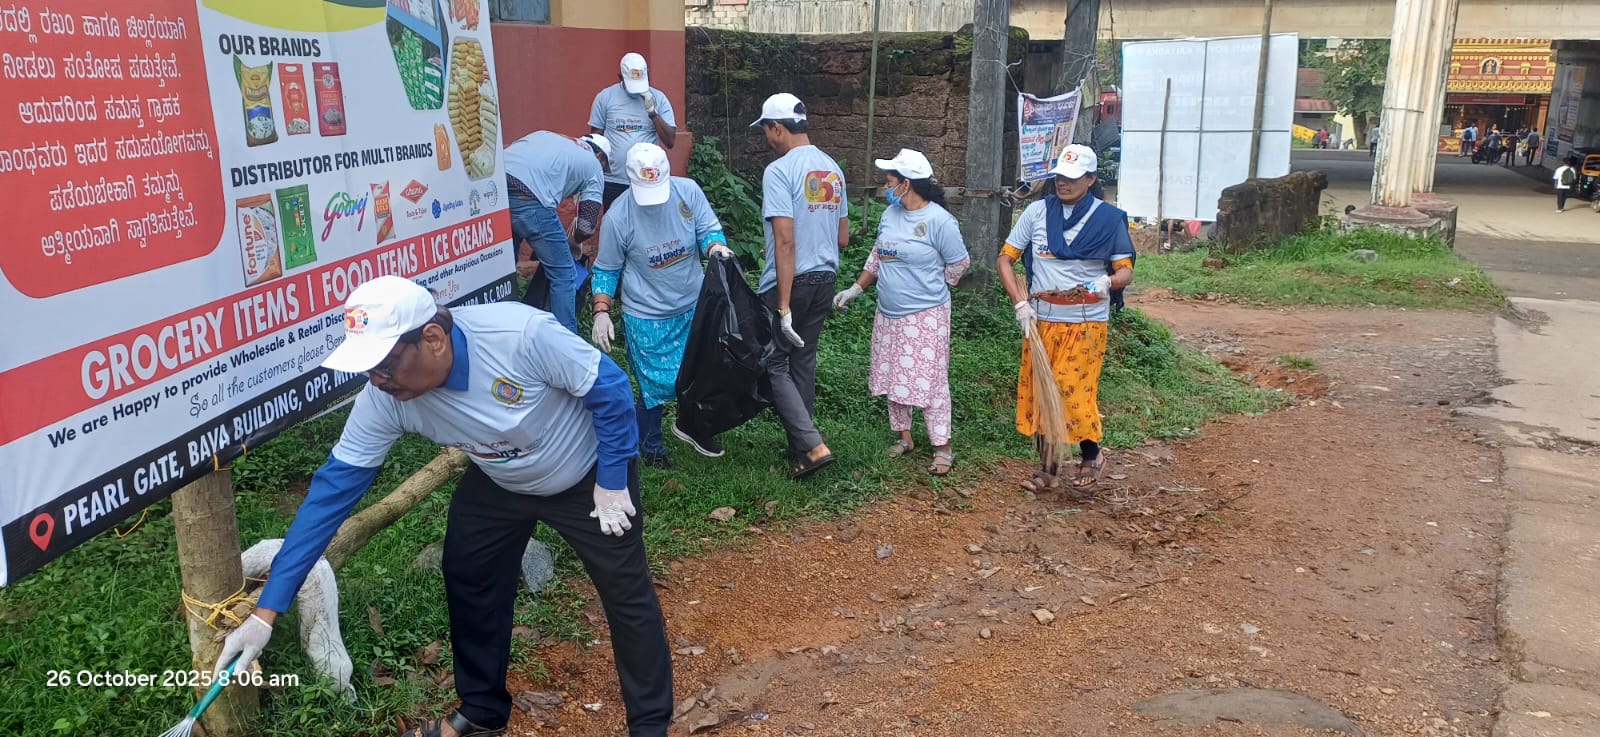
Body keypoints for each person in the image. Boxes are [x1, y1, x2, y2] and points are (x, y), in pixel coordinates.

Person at [214, 276, 672, 737]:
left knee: (625, 594)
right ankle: (482, 711)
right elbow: (329, 497)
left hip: (587, 476)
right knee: (469, 572)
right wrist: (265, 613)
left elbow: (610, 388)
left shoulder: (519, 335)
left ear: (432, 338)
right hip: (500, 478)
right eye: (368, 369)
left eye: (385, 365)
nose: (377, 381)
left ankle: (650, 725)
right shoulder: (383, 400)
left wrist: (613, 478)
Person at [997, 144, 1134, 494]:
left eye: (1073, 178)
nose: (1063, 183)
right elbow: (1005, 259)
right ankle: (1049, 467)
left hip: (1085, 322)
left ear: (1090, 179)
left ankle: (1091, 455)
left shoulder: (1108, 219)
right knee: (1041, 393)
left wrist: (1108, 282)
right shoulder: (1037, 213)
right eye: (1059, 176)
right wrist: (1020, 303)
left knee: (1073, 392)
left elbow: (1125, 270)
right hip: (1040, 321)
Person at [591, 143, 734, 468]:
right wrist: (601, 311)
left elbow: (708, 229)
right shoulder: (618, 217)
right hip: (647, 315)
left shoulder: (688, 192)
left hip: (693, 304)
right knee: (653, 386)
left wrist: (714, 248)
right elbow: (607, 268)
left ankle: (695, 427)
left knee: (700, 374)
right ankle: (651, 445)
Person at [832, 149, 970, 477]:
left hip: (925, 316)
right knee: (894, 375)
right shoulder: (890, 216)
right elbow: (877, 257)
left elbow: (959, 264)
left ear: (906, 184)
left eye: (890, 181)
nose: (886, 186)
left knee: (931, 380)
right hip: (888, 314)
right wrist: (856, 289)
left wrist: (930, 286)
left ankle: (942, 447)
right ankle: (904, 437)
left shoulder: (939, 221)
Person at [752, 92, 844, 478]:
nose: (766, 139)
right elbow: (842, 237)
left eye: (766, 131)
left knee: (772, 361)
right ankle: (800, 446)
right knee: (803, 359)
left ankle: (813, 446)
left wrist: (784, 304)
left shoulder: (779, 170)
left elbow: (785, 239)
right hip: (826, 277)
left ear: (777, 127)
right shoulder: (832, 168)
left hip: (791, 282)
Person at [504, 130, 611, 334]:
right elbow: (587, 224)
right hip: (529, 196)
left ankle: (506, 328)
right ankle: (566, 340)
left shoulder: (556, 139)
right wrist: (574, 242)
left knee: (506, 269)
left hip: (495, 185)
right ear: (600, 156)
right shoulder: (594, 164)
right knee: (564, 274)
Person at [590, 53, 678, 211]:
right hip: (614, 180)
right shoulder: (605, 97)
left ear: (647, 74)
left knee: (647, 223)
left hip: (648, 180)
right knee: (615, 221)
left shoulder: (659, 98)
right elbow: (596, 140)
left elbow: (670, 141)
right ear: (620, 77)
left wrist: (653, 113)